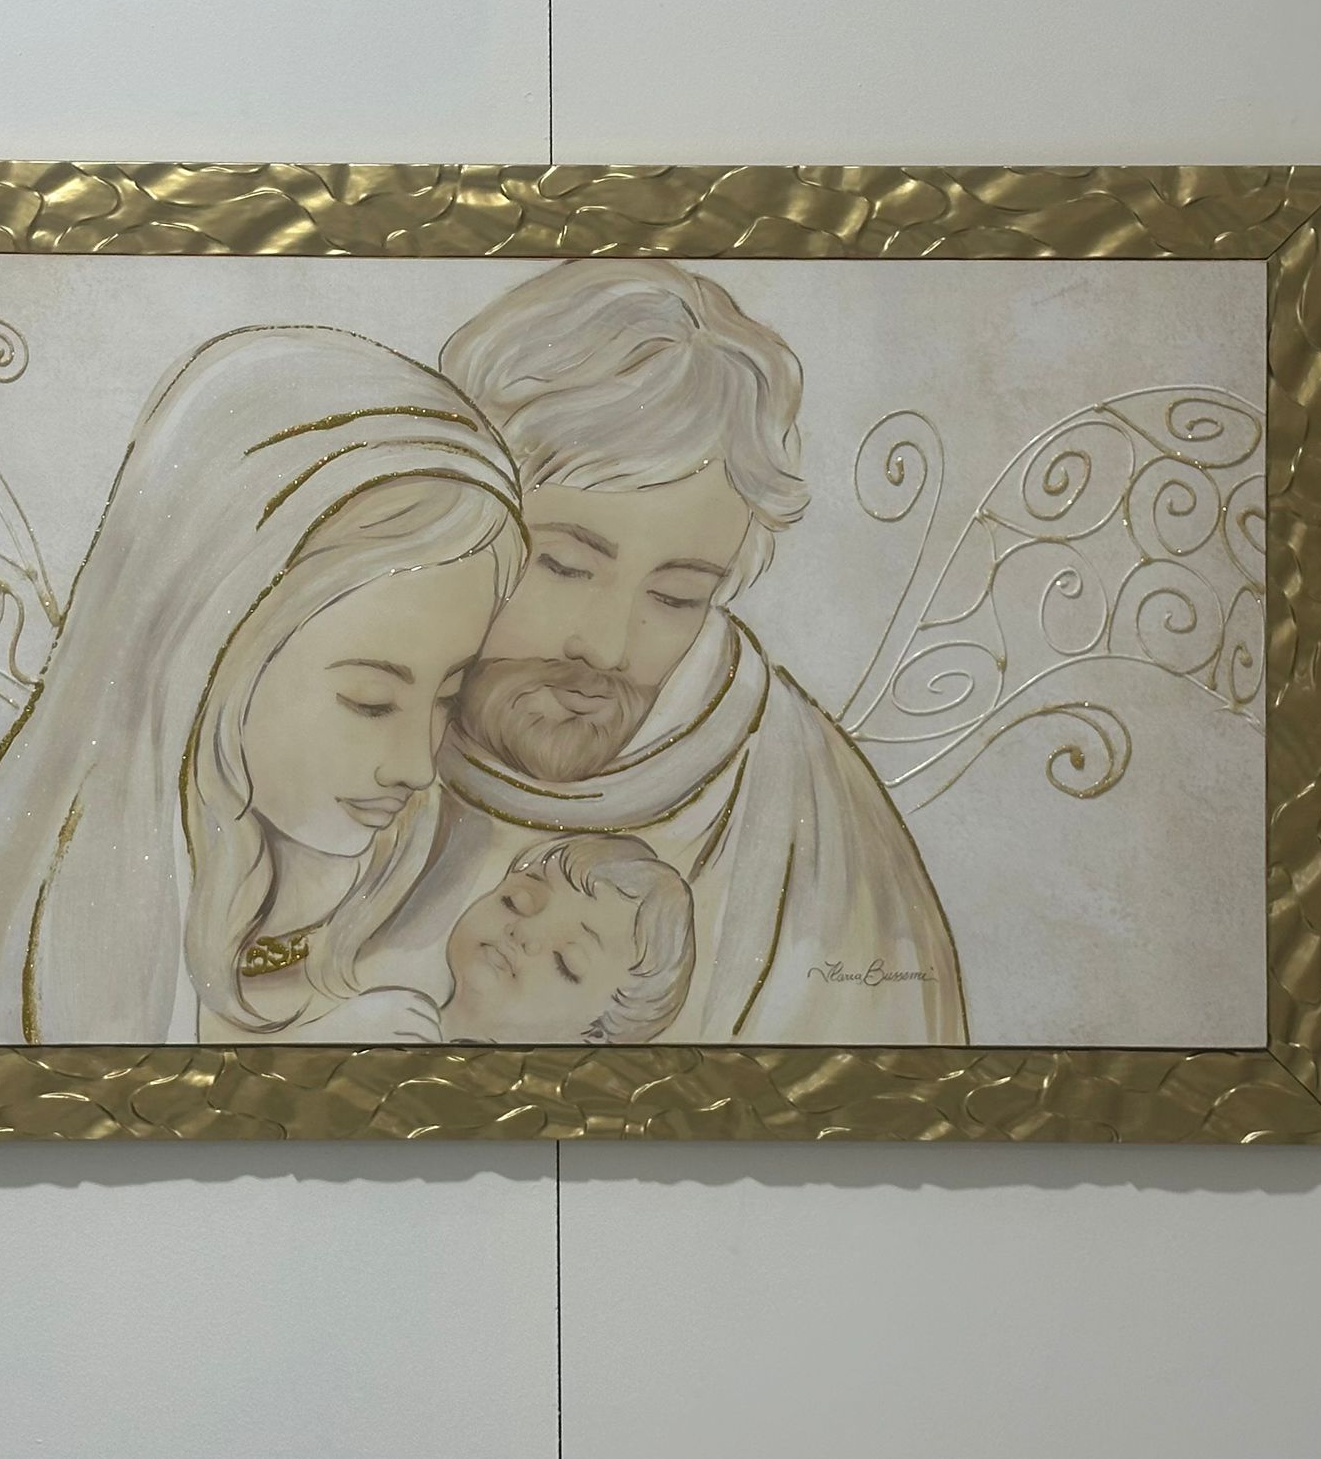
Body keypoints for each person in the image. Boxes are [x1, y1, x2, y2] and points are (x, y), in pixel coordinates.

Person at [363, 259, 968, 1045]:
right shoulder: (341, 698)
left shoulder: (808, 828)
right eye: (565, 566)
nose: (607, 648)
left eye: (677, 597)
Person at [0, 324, 526, 1045]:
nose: (415, 766)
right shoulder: (68, 921)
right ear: (210, 648)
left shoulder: (434, 893)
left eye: (446, 699)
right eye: (370, 702)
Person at [283, 833, 696, 1045]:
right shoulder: (385, 1019)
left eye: (567, 962)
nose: (523, 933)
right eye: (516, 901)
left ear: (595, 1034)